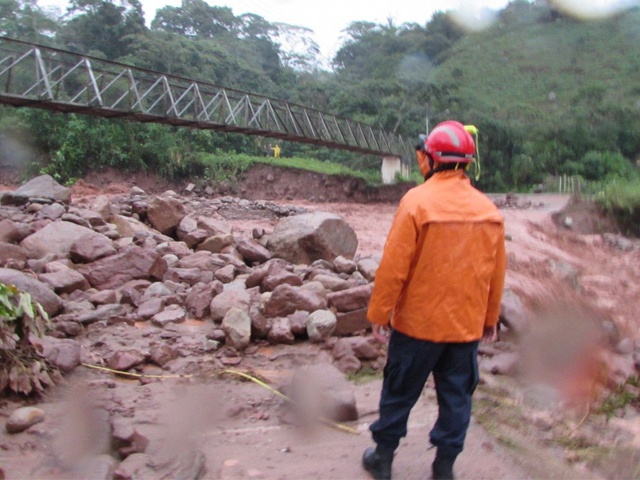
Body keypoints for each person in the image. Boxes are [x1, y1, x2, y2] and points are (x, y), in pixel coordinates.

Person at [362, 121, 506, 480]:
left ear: (431, 159)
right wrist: (489, 319)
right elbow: (495, 274)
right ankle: (444, 468)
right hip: (465, 328)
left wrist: (379, 312)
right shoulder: (489, 211)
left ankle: (383, 459)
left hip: (417, 327)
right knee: (457, 398)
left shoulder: (416, 202)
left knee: (399, 391)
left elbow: (394, 267)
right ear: (466, 162)